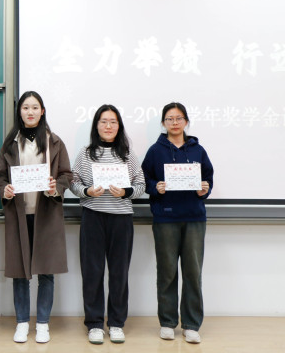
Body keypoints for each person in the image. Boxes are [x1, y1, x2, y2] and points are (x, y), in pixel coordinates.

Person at [0, 91, 72, 344]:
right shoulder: (10, 143)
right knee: (20, 272)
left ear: (42, 111)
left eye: (35, 107)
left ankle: (42, 323)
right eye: (25, 107)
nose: (30, 112)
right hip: (19, 214)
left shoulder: (55, 142)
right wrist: (4, 189)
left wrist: (56, 187)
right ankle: (21, 322)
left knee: (46, 271)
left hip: (46, 215)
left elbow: (66, 175)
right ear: (20, 112)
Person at [69, 104, 145, 344]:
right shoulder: (85, 153)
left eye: (113, 122)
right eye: (104, 121)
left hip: (121, 218)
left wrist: (125, 192)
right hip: (93, 216)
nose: (108, 126)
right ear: (96, 125)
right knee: (92, 272)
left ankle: (116, 323)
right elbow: (73, 182)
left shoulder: (127, 154)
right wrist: (86, 191)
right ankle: (94, 324)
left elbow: (141, 185)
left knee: (119, 272)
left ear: (119, 126)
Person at [141, 102, 213, 344]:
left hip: (194, 218)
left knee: (193, 273)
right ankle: (167, 322)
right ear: (163, 123)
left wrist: (205, 189)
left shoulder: (198, 150)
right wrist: (156, 187)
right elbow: (144, 179)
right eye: (169, 118)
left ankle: (191, 324)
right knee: (167, 272)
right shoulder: (155, 151)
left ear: (186, 121)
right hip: (165, 218)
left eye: (179, 118)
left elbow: (208, 178)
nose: (174, 122)